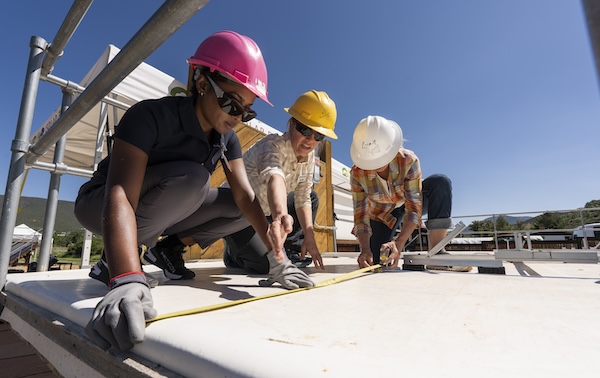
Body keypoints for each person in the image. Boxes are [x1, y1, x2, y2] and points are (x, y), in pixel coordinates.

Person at [74, 31, 313, 352]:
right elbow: (120, 195)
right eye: (231, 102)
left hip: (165, 207)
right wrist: (127, 276)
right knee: (194, 178)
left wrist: (277, 258)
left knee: (237, 205)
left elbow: (246, 197)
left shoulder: (227, 138)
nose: (237, 117)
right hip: (100, 203)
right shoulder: (149, 116)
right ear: (202, 83)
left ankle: (166, 249)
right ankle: (112, 261)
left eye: (247, 111)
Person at [223, 90, 338, 273]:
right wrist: (279, 216)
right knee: (267, 265)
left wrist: (309, 236)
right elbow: (275, 178)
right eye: (306, 130)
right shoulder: (271, 145)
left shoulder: (309, 158)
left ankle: (289, 250)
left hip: (265, 213)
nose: (311, 140)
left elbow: (303, 197)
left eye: (318, 136)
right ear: (291, 124)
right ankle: (233, 253)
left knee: (312, 196)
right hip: (236, 211)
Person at [349, 115, 470, 272]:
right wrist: (365, 249)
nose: (377, 164)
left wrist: (399, 243)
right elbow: (361, 217)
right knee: (377, 259)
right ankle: (373, 251)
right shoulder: (357, 174)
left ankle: (437, 253)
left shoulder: (408, 160)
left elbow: (413, 208)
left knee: (440, 182)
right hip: (382, 214)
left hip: (410, 203)